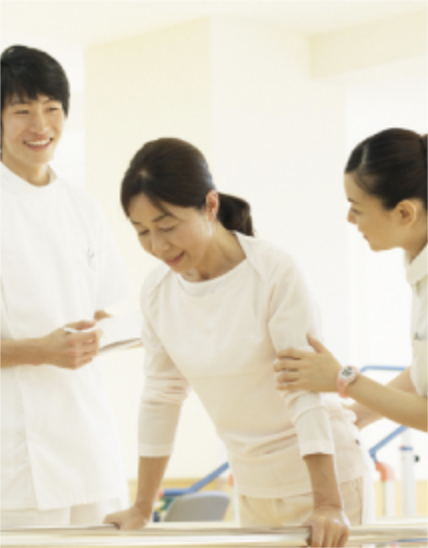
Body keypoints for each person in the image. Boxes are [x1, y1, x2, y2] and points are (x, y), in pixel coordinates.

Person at [104, 137, 374, 548]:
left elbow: (303, 389)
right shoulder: (158, 291)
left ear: (210, 205)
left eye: (168, 227)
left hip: (328, 482)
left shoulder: (272, 272)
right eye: (142, 231)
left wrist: (327, 504)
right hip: (252, 485)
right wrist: (142, 507)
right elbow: (161, 396)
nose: (157, 246)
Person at [1, 45, 132, 526]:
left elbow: (98, 310)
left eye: (52, 108)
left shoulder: (84, 208)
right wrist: (39, 350)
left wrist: (120, 332)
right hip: (16, 459)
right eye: (22, 111)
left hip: (90, 444)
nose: (40, 125)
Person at [275, 129, 427, 433]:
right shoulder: (417, 266)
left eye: (357, 208)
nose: (350, 218)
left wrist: (343, 379)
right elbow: (422, 372)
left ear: (404, 213)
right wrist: (355, 417)